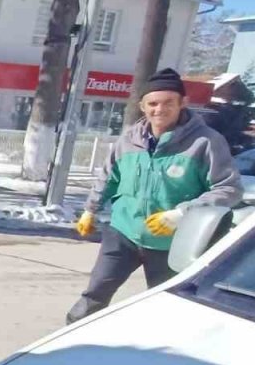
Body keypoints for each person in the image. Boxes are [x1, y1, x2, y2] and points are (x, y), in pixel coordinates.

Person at [67, 68, 241, 324]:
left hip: (171, 242)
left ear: (183, 102)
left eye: (168, 102)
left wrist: (181, 214)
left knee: (167, 304)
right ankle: (72, 339)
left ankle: (162, 354)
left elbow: (229, 189)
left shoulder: (206, 142)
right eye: (153, 103)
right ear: (142, 106)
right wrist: (90, 209)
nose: (159, 109)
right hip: (123, 233)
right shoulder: (128, 140)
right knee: (94, 294)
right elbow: (109, 177)